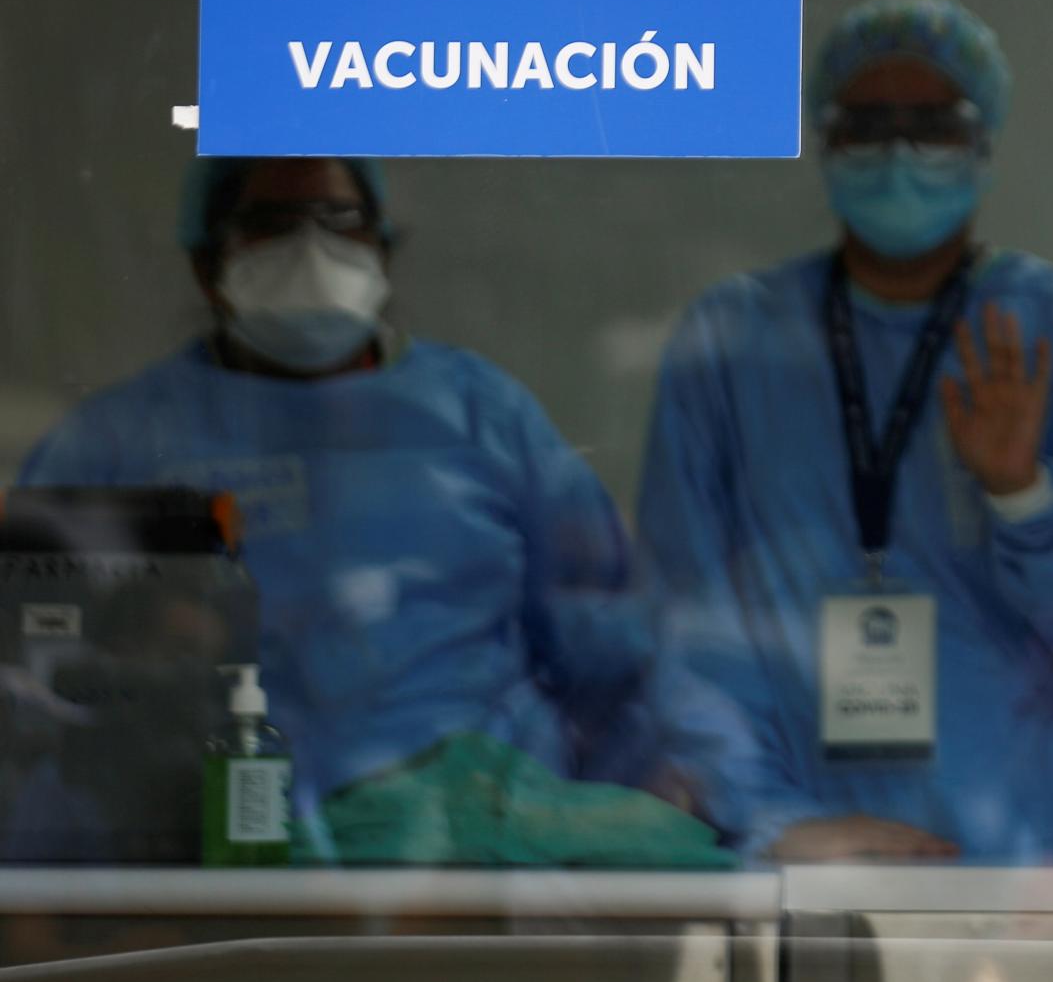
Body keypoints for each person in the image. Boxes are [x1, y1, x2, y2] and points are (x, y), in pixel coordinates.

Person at [16, 156, 718, 866]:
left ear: (382, 247)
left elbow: (610, 653)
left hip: (482, 850)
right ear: (207, 263)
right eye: (272, 223)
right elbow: (38, 683)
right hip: (216, 861)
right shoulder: (115, 444)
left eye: (339, 219)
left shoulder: (480, 417)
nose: (312, 246)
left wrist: (626, 810)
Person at [639, 0, 1053, 862]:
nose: (898, 152)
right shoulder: (735, 339)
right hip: (798, 853)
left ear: (983, 145)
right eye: (868, 123)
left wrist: (1023, 495)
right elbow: (679, 623)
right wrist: (771, 821)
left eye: (932, 123)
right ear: (823, 139)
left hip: (1023, 852)